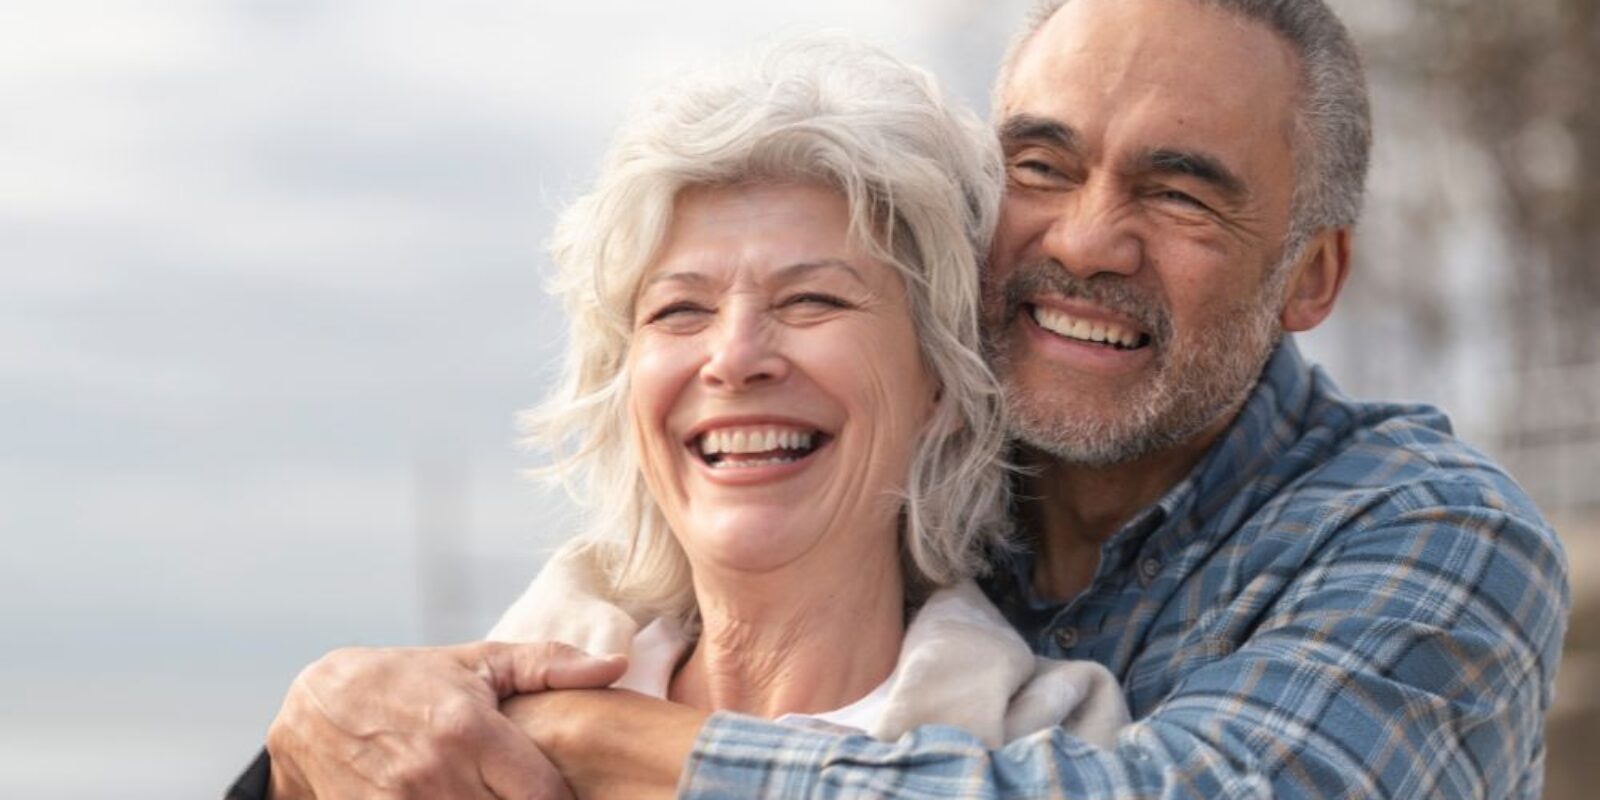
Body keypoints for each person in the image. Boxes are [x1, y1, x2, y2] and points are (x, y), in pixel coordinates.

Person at [239, 0, 1572, 797]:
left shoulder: (1430, 535)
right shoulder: (863, 476)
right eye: (1042, 167)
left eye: (1178, 192)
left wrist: (601, 744)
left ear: (1313, 274)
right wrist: (308, 738)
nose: (1089, 240)